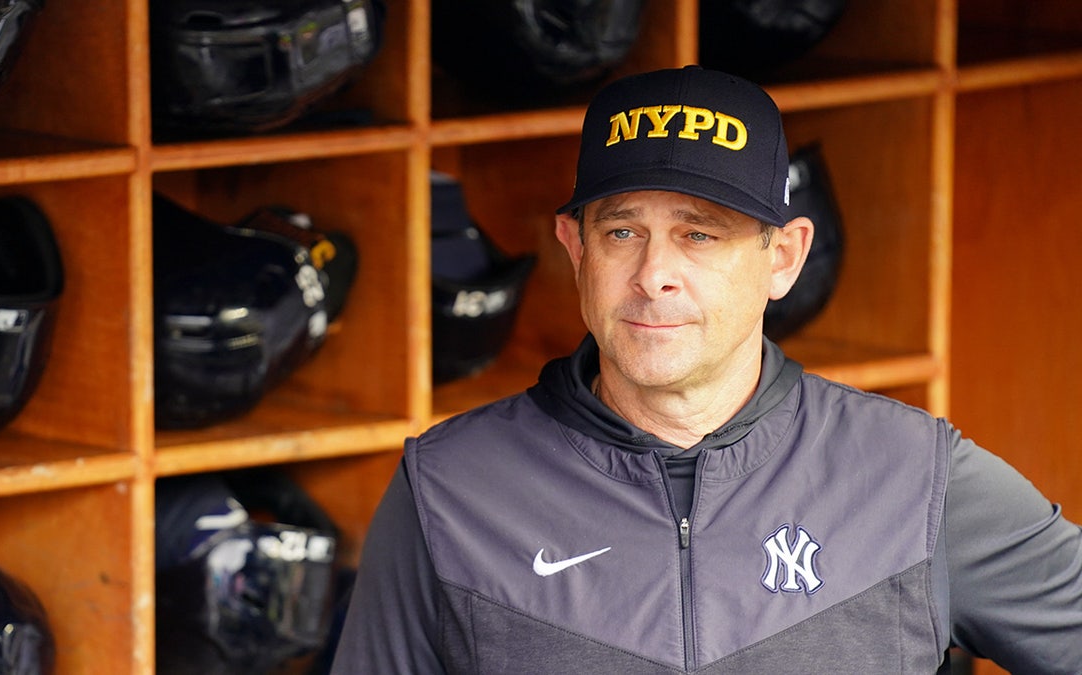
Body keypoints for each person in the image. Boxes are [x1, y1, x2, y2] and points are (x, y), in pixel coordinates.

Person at [329, 66, 1082, 674]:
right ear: (574, 245)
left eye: (700, 234)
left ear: (782, 257)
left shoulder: (913, 476)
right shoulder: (447, 490)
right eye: (623, 230)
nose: (655, 273)